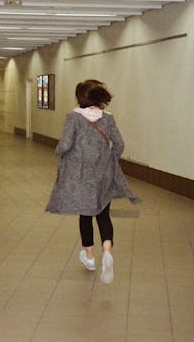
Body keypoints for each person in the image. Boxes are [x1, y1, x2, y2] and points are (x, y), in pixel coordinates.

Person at [46, 79, 140, 284]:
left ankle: (89, 257)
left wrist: (58, 151)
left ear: (81, 97)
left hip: (82, 175)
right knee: (104, 214)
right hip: (103, 173)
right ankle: (107, 249)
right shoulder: (108, 118)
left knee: (86, 214)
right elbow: (120, 144)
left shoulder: (73, 118)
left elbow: (66, 144)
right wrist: (110, 159)